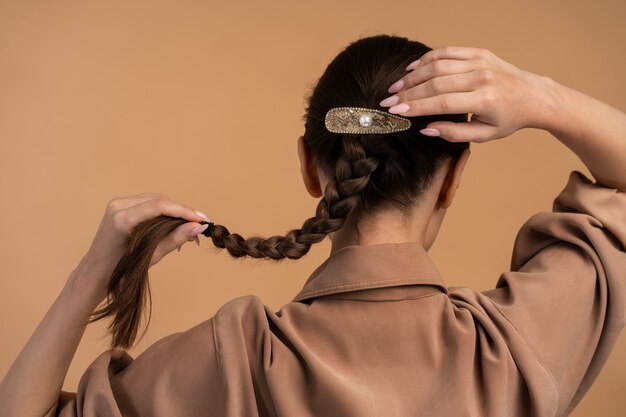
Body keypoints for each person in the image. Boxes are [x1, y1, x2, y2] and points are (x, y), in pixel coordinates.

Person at [1, 34, 625, 417]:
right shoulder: (514, 349)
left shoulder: (233, 359)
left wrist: (92, 274)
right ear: (454, 177)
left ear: (310, 165)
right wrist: (540, 97)